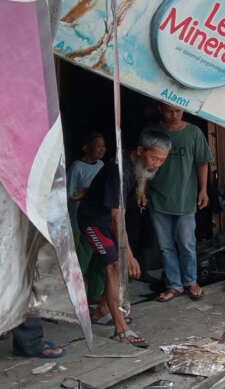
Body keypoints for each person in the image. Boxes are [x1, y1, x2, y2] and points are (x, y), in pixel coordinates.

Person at [78, 130, 171, 346]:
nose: (157, 164)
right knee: (115, 265)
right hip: (93, 220)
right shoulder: (119, 170)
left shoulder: (136, 160)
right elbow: (116, 218)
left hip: (108, 220)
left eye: (162, 160)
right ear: (141, 151)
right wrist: (128, 254)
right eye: (154, 158)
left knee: (117, 265)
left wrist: (140, 191)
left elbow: (142, 175)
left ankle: (102, 310)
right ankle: (121, 329)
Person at [146, 103, 213, 302]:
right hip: (158, 197)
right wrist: (141, 190)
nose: (174, 115)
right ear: (159, 108)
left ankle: (190, 281)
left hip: (185, 198)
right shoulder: (153, 132)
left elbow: (202, 162)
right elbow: (141, 162)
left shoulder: (193, 133)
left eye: (178, 110)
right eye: (169, 110)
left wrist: (203, 190)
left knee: (186, 243)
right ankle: (174, 285)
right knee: (166, 245)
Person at [68, 132, 108, 311]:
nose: (102, 149)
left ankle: (95, 295)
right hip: (80, 222)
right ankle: (73, 299)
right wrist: (89, 192)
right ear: (86, 148)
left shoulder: (101, 165)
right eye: (98, 145)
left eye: (103, 145)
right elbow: (69, 195)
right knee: (80, 262)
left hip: (98, 220)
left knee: (99, 260)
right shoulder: (77, 167)